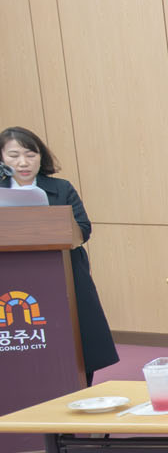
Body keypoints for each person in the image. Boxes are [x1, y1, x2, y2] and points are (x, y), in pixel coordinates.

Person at [0, 126, 118, 382]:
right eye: (13, 155)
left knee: (75, 338)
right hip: (10, 278)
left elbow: (83, 229)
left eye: (30, 155)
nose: (23, 163)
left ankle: (79, 384)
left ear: (41, 156)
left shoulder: (61, 188)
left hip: (63, 274)